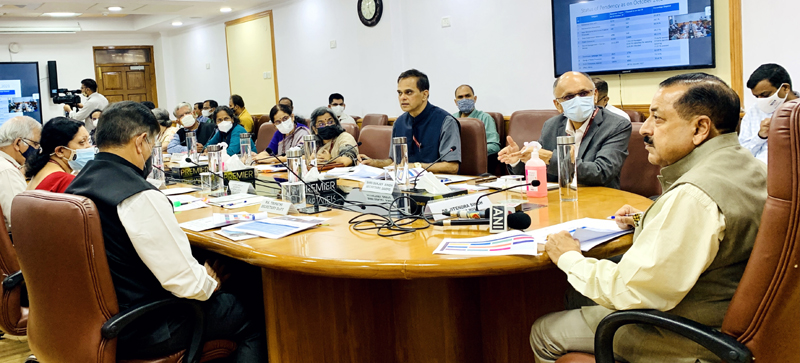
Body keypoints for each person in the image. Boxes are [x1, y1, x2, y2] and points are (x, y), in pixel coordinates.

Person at [530, 73, 767, 363]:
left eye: (658, 119)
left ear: (700, 128)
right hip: (731, 315)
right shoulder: (751, 166)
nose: (645, 129)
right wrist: (649, 217)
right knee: (577, 296)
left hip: (688, 335)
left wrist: (568, 257)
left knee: (543, 331)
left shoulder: (694, 197)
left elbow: (629, 291)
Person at [65, 101, 266, 361]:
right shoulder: (138, 196)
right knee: (254, 309)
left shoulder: (77, 184)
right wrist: (210, 282)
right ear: (140, 142)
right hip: (148, 326)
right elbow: (189, 285)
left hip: (99, 319)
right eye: (152, 144)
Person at [498, 71, 630, 189]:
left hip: (599, 201)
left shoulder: (617, 125)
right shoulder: (551, 125)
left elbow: (602, 173)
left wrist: (551, 158)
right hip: (557, 200)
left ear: (595, 95)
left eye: (584, 93)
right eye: (569, 97)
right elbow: (536, 175)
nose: (578, 100)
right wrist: (517, 159)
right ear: (558, 105)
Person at [358, 69, 461, 174]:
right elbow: (395, 162)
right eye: (399, 93)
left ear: (425, 95)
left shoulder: (445, 121)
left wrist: (416, 166)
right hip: (406, 183)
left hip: (436, 185)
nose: (402, 98)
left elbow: (452, 167)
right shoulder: (399, 123)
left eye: (409, 92)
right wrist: (373, 163)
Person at [738, 63, 799, 164]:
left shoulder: (798, 110)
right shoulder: (754, 112)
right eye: (757, 97)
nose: (761, 100)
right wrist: (760, 136)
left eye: (765, 95)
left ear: (785, 88)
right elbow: (742, 155)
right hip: (759, 172)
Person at [25, 117, 93, 192]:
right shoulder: (65, 181)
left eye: (89, 140)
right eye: (82, 142)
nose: (89, 146)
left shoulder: (40, 172)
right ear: (60, 151)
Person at [0, 116, 41, 232]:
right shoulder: (7, 171)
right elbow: (22, 220)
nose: (38, 150)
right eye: (36, 144)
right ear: (18, 143)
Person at [451, 84, 501, 171]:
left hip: (477, 165)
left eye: (468, 96)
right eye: (460, 97)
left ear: (475, 98)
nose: (464, 99)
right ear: (455, 102)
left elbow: (494, 146)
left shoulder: (485, 118)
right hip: (454, 164)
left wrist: (470, 152)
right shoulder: (451, 119)